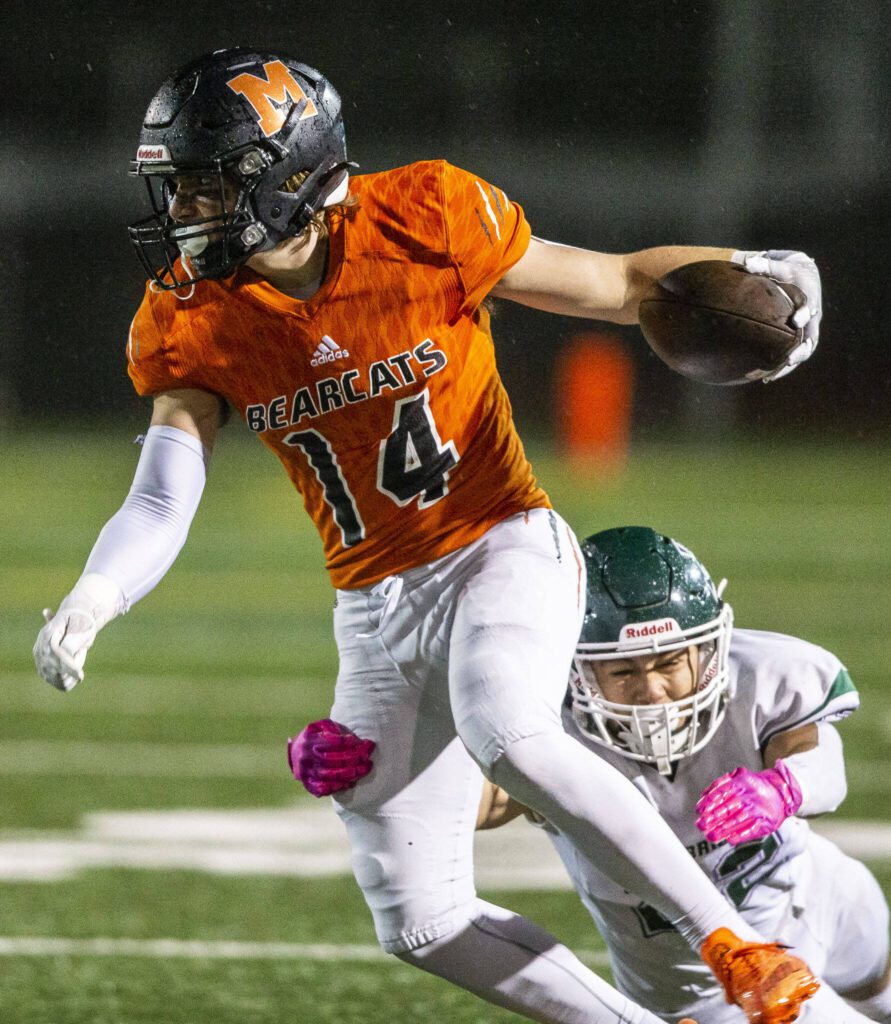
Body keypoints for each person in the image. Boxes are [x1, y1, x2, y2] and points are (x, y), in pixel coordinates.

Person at [33, 48, 825, 1024]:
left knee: (509, 728)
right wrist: (95, 594)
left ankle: (736, 947)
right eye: (177, 185)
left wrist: (749, 274)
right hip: (372, 602)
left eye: (207, 182)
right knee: (418, 917)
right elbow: (161, 494)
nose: (186, 208)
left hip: (501, 540)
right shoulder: (189, 316)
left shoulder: (423, 214)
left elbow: (619, 283)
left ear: (290, 177)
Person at [292, 526, 890, 1024]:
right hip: (705, 987)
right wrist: (370, 772)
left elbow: (821, 761)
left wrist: (784, 787)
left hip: (824, 892)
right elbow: (474, 805)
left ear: (706, 650)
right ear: (577, 669)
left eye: (668, 662)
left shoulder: (762, 674)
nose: (652, 690)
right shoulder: (543, 724)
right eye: (622, 670)